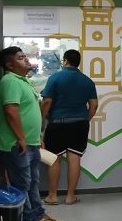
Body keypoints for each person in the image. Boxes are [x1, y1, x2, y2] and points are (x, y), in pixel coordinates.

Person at [0, 47, 66, 221]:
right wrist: (21, 138)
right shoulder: (10, 81)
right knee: (22, 183)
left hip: (30, 143)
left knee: (33, 182)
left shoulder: (23, 81)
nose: (26, 59)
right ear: (9, 65)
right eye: (20, 58)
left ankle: (38, 216)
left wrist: (36, 139)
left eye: (25, 56)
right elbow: (11, 110)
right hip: (16, 144)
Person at [40, 49, 98, 205]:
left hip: (57, 123)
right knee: (74, 159)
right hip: (79, 125)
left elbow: (46, 102)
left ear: (65, 61)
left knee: (54, 159)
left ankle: (52, 196)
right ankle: (70, 196)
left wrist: (42, 120)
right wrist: (85, 119)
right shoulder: (87, 81)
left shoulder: (55, 77)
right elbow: (94, 105)